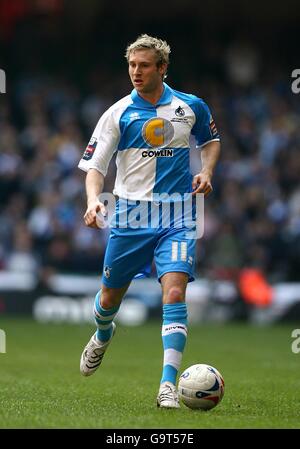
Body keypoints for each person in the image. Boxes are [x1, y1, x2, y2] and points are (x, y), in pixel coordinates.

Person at [78, 34, 221, 408]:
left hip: (177, 214)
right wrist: (94, 200)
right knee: (110, 297)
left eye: (143, 66)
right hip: (130, 214)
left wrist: (206, 171)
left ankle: (167, 386)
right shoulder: (118, 113)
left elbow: (211, 140)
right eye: (131, 65)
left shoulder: (191, 107)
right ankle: (103, 333)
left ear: (162, 68)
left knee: (174, 292)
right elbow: (95, 166)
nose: (136, 72)